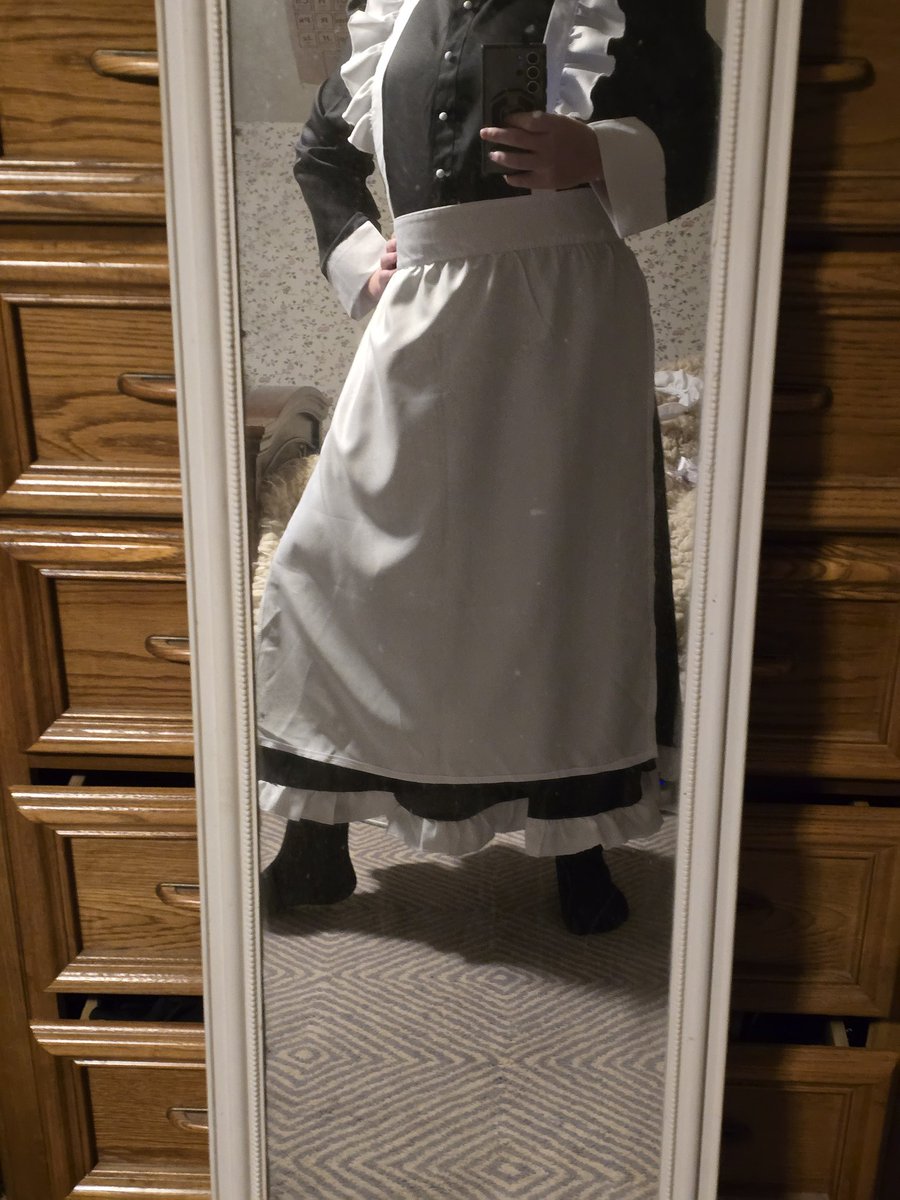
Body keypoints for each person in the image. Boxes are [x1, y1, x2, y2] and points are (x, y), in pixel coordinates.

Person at [255, 0, 719, 933]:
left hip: (568, 316)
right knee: (329, 573)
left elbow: (717, 122)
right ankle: (317, 838)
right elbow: (322, 153)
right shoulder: (394, 15)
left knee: (562, 584)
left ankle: (578, 842)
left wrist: (600, 153)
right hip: (419, 314)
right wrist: (362, 255)